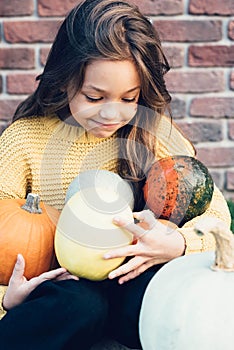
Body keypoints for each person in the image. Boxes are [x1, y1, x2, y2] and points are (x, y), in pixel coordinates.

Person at [0, 0, 231, 349]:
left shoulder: (153, 135)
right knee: (79, 305)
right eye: (95, 97)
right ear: (65, 81)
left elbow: (214, 215)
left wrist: (179, 244)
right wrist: (7, 298)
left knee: (157, 296)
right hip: (59, 288)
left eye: (129, 98)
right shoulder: (24, 140)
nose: (111, 113)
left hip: (129, 278)